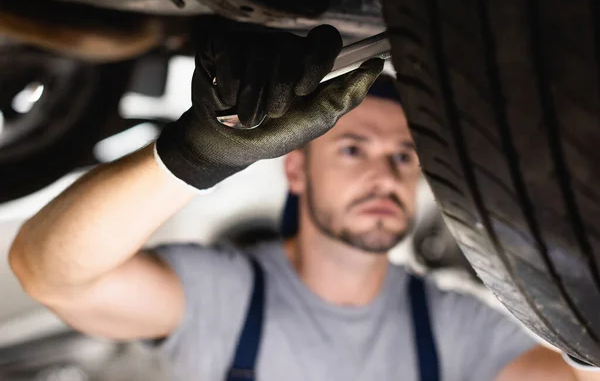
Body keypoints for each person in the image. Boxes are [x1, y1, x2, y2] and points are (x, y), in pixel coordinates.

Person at [8, 25, 600, 381]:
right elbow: (48, 272)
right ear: (295, 166)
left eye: (402, 156)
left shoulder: (455, 324)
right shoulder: (228, 300)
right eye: (354, 150)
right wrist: (201, 154)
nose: (383, 174)